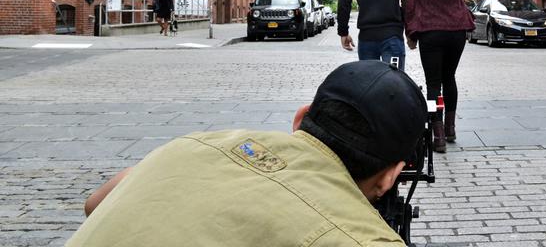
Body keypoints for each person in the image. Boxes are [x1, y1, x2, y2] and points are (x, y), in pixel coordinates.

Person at [66, 60, 428, 247]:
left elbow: (95, 203)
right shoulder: (364, 239)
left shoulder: (188, 146)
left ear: (300, 118)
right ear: (389, 177)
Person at [402, 0, 475, 153]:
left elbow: (409, 5)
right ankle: (451, 129)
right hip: (456, 32)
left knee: (433, 84)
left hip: (430, 32)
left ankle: (438, 136)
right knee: (449, 78)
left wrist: (410, 33)